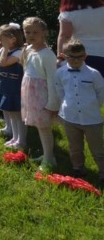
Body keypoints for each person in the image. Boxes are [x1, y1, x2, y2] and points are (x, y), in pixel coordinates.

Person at [55, 39, 104, 187]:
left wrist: (91, 105)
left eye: (79, 57)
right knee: (74, 146)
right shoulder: (60, 73)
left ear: (85, 56)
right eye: (71, 57)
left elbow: (101, 93)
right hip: (70, 117)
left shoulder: (94, 74)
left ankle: (102, 172)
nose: (75, 60)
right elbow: (60, 91)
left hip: (91, 118)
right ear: (64, 56)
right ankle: (78, 169)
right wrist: (67, 105)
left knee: (97, 148)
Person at [21, 17, 60, 171]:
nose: (31, 35)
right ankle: (46, 154)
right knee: (39, 126)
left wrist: (52, 103)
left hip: (42, 95)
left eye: (35, 32)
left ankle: (50, 158)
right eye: (27, 32)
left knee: (44, 127)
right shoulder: (30, 50)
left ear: (44, 33)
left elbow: (52, 80)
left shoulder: (47, 54)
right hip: (31, 94)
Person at [0, 24, 26, 149]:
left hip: (16, 87)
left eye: (1, 39)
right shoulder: (4, 49)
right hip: (6, 85)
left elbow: (3, 62)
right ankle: (14, 137)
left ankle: (22, 141)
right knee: (11, 114)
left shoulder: (19, 52)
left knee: (18, 115)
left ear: (12, 39)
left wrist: (4, 48)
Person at [57, 0, 104, 78]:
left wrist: (60, 57)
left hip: (79, 55)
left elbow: (65, 36)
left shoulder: (68, 13)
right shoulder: (102, 9)